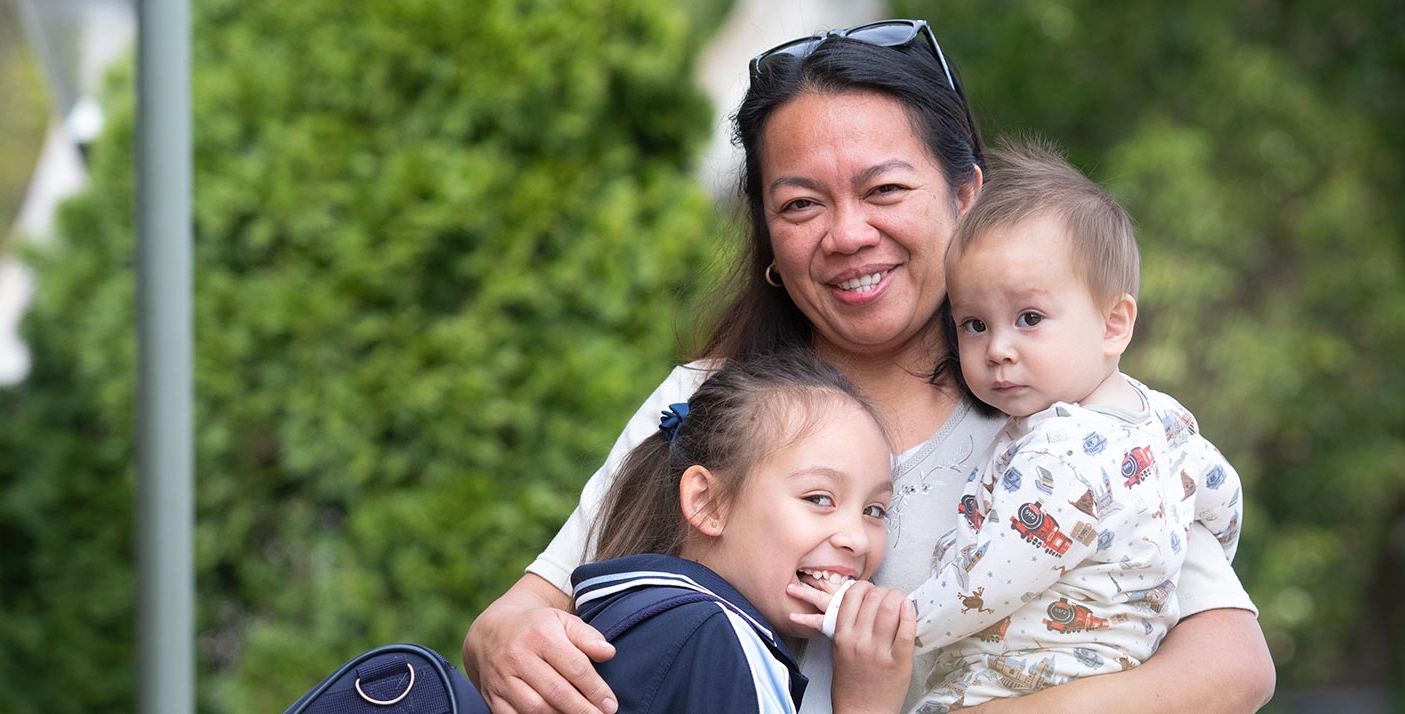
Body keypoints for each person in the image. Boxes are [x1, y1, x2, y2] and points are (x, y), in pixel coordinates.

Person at [464, 18, 1275, 714]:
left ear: (966, 199)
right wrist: (503, 635)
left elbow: (1234, 668)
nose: (847, 235)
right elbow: (531, 608)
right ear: (770, 240)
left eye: (884, 189)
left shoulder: (1064, 413)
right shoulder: (710, 400)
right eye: (800, 204)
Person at [870, 137, 1241, 710]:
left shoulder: (1059, 451)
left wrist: (891, 628)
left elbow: (986, 585)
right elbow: (1223, 502)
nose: (998, 349)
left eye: (1029, 318)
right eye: (973, 324)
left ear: (1114, 323)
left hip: (1008, 682)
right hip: (1120, 670)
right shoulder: (1164, 420)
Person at [571, 350, 914, 713]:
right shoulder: (715, 639)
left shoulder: (623, 612)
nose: (857, 539)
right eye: (819, 498)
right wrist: (866, 703)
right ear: (708, 503)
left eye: (874, 510)